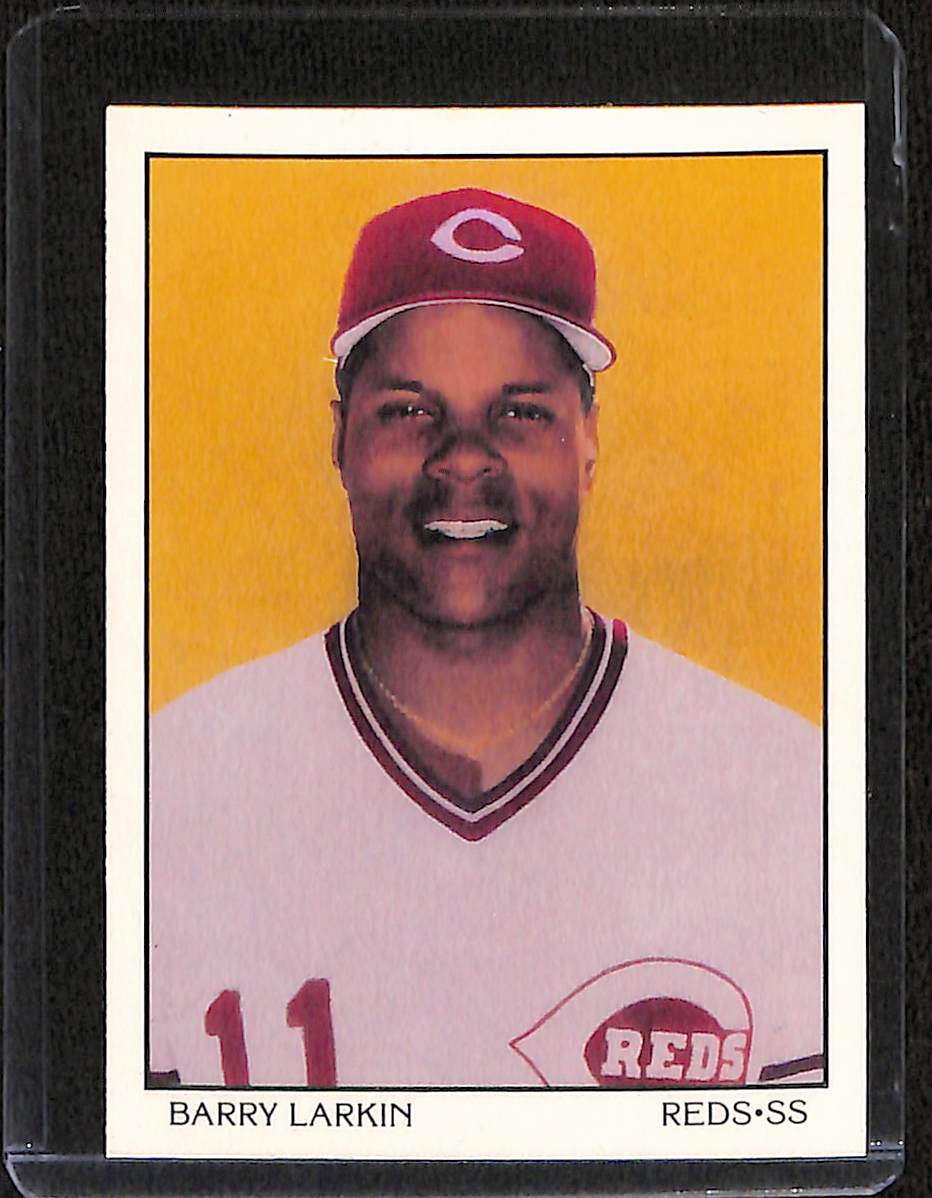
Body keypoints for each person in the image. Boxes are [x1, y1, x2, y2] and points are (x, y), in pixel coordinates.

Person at [149, 187, 823, 1089]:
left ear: (589, 440)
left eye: (520, 412)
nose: (463, 457)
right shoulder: (171, 789)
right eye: (409, 411)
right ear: (339, 439)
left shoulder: (788, 795)